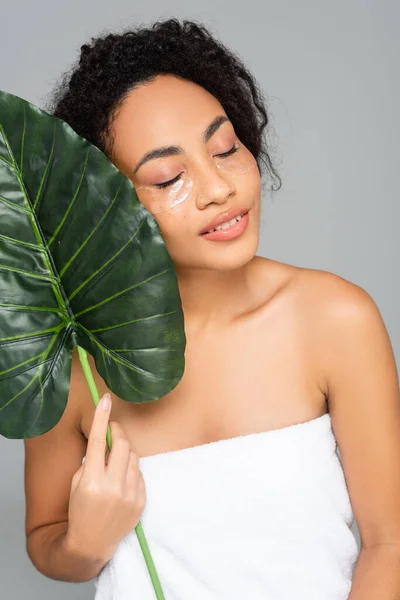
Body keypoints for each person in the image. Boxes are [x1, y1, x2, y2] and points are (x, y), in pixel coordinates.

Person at [23, 17, 400, 600]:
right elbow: (47, 539)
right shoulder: (75, 364)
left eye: (225, 149)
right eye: (169, 177)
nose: (217, 187)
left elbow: (390, 544)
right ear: (101, 210)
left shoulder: (333, 318)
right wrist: (83, 545)